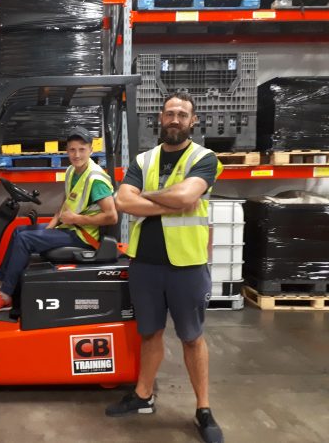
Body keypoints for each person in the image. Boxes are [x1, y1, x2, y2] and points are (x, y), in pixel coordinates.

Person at [107, 92, 224, 443]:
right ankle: (143, 396)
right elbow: (121, 200)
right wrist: (168, 200)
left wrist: (146, 197)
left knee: (191, 338)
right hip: (145, 263)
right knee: (149, 333)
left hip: (187, 266)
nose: (175, 119)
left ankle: (203, 408)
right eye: (170, 113)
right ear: (160, 118)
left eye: (182, 115)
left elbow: (188, 197)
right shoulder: (144, 159)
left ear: (193, 121)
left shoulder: (205, 158)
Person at [0, 126, 118, 313]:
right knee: (19, 230)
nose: (76, 154)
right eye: (72, 149)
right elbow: (66, 202)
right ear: (67, 150)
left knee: (25, 239)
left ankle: (5, 296)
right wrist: (50, 226)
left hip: (84, 237)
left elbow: (112, 216)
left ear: (91, 149)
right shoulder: (72, 171)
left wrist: (76, 218)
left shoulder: (95, 179)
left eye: (82, 149)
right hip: (70, 228)